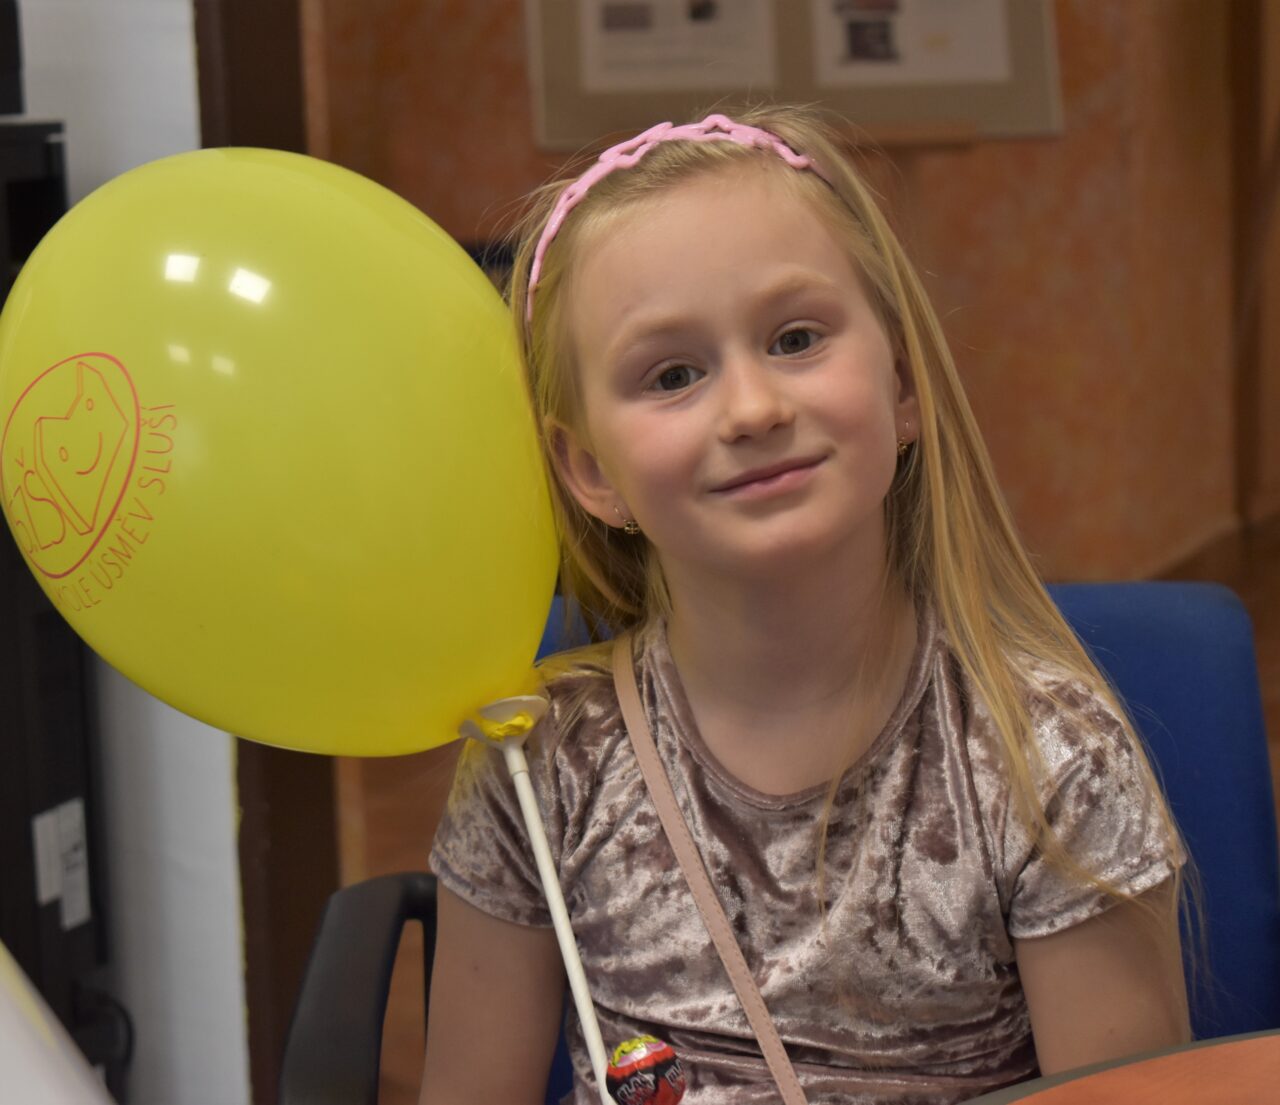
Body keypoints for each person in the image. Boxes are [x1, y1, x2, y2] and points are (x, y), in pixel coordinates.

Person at [422, 106, 1190, 1105]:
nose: (752, 409)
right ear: (590, 470)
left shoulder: (1046, 760)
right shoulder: (538, 765)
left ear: (901, 384)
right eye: (672, 374)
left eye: (794, 339)